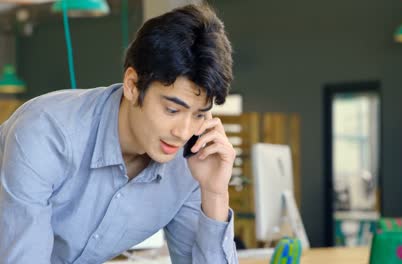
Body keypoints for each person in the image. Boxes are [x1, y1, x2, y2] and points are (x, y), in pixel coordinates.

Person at [0, 3, 238, 264]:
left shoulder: (190, 161)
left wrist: (215, 193)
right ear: (132, 86)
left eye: (200, 114)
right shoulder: (47, 134)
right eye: (172, 110)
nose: (183, 132)